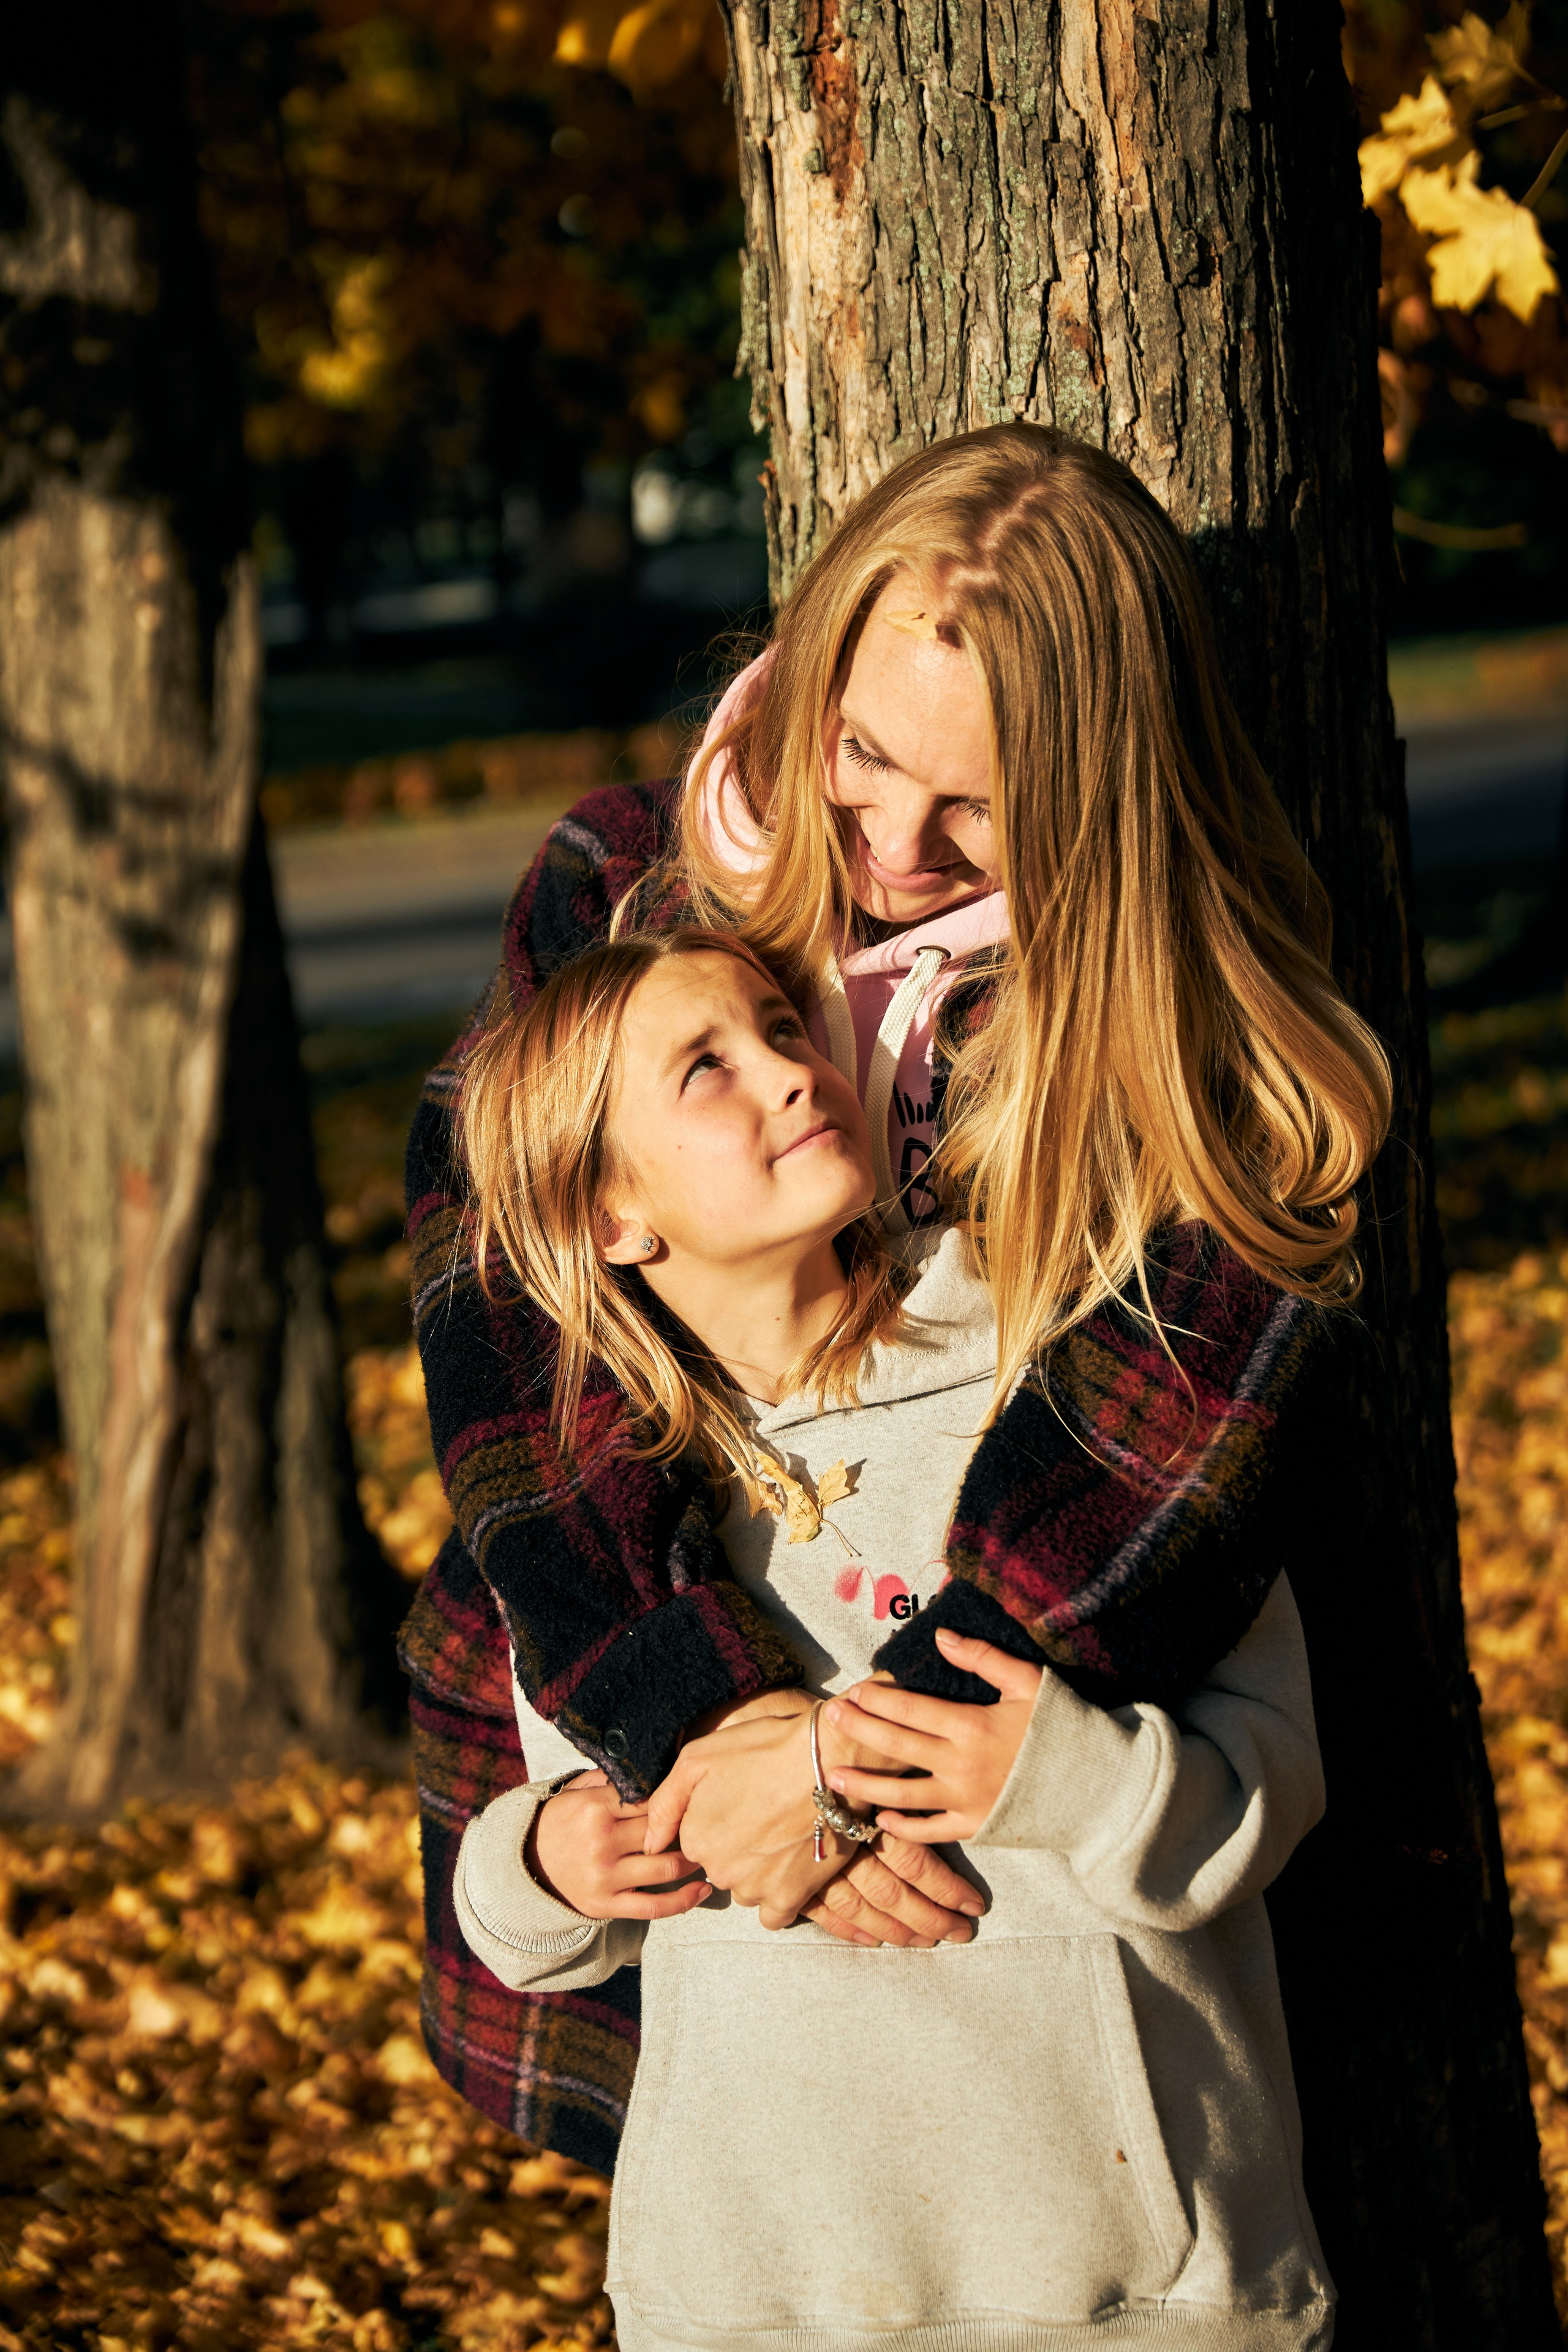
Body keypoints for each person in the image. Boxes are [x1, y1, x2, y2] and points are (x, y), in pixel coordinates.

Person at [398, 421, 1390, 2168]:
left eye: (978, 807)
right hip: (644, 1729)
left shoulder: (1167, 1026)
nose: (895, 842)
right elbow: (509, 1317)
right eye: (861, 754)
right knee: (755, 2186)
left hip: (1014, 1890)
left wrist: (852, 1764)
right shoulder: (628, 891)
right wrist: (708, 1731)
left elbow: (1163, 1449)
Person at [448, 927, 1336, 2350]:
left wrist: (1057, 1778)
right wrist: (548, 1863)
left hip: (1133, 2288)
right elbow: (530, 1913)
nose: (792, 1073)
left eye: (779, 1029)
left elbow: (1271, 1773)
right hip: (757, 2298)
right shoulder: (613, 1533)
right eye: (706, 1069)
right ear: (611, 1214)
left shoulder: (1079, 1397)